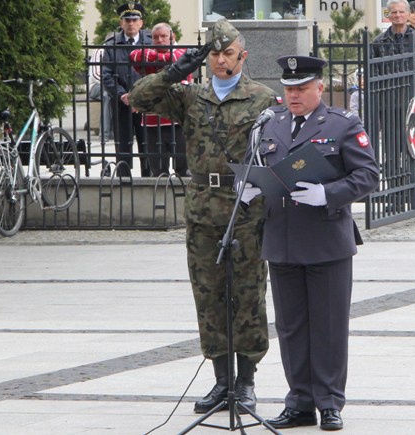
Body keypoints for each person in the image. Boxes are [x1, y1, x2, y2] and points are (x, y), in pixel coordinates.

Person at [128, 19, 281, 414]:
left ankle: (246, 383)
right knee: (208, 296)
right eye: (213, 54)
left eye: (227, 53)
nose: (219, 60)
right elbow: (139, 97)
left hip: (245, 208)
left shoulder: (262, 98)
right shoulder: (190, 97)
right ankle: (221, 382)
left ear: (242, 57)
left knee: (247, 295)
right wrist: (177, 68)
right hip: (202, 208)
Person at [241, 56, 379, 430]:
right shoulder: (271, 124)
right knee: (291, 327)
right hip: (282, 240)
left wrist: (328, 193)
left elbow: (368, 175)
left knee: (328, 325)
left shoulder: (342, 125)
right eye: (288, 89)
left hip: (325, 239)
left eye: (301, 88)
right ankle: (300, 401)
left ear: (320, 87)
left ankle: (329, 402)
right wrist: (249, 187)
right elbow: (255, 164)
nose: (293, 95)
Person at [129, 23, 189, 177]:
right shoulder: (146, 55)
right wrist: (163, 60)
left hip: (178, 121)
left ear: (172, 37)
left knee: (184, 170)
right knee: (158, 171)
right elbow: (134, 56)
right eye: (155, 37)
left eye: (163, 36)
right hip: (152, 122)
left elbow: (178, 58)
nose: (159, 40)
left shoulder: (183, 53)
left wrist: (155, 61)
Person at [102, 3, 152, 177]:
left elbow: (157, 72)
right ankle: (124, 179)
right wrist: (123, 94)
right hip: (121, 102)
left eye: (134, 20)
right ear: (120, 23)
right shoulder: (112, 45)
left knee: (147, 143)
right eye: (127, 20)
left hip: (146, 103)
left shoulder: (150, 42)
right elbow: (106, 75)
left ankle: (148, 177)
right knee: (123, 144)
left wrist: (142, 95)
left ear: (141, 23)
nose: (131, 23)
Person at [88, 45, 113, 142]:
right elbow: (95, 75)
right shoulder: (99, 51)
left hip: (113, 84)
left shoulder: (121, 49)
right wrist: (112, 84)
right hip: (96, 86)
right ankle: (104, 134)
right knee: (107, 94)